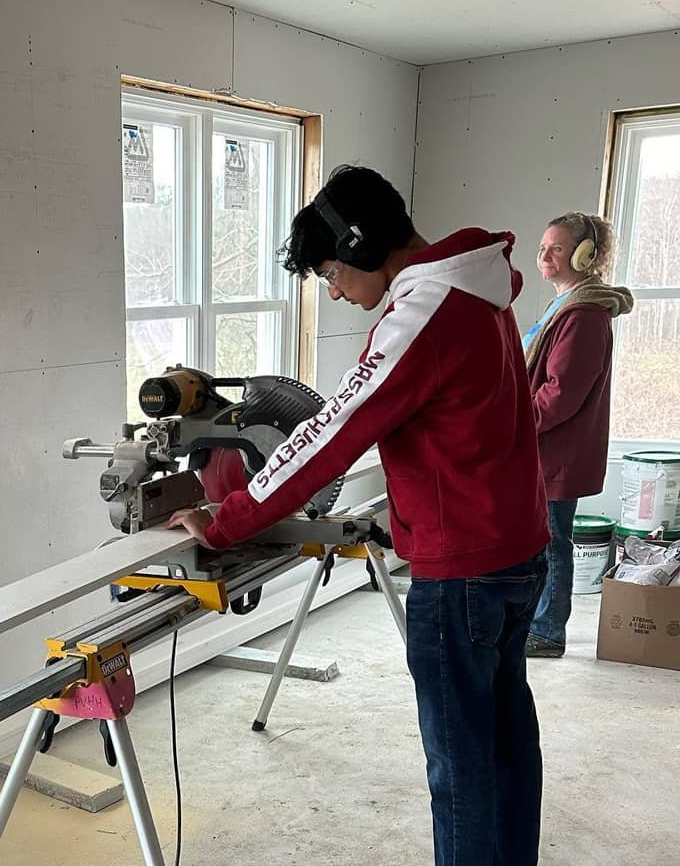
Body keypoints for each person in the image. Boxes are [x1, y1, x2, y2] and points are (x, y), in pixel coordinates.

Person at [167, 165, 550, 866]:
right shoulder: (479, 285)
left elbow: (330, 431)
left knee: (461, 770)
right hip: (515, 549)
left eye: (334, 274)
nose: (338, 292)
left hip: (461, 570)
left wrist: (228, 517)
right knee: (505, 743)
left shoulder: (422, 311)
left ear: (364, 247)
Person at [523, 213, 633, 658]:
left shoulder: (584, 314)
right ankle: (536, 622)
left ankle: (548, 632)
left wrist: (512, 426)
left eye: (558, 248)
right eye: (543, 247)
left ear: (586, 255)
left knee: (551, 542)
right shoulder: (565, 305)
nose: (545, 256)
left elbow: (560, 394)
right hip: (542, 450)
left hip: (555, 452)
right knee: (542, 539)